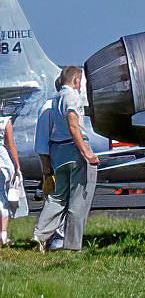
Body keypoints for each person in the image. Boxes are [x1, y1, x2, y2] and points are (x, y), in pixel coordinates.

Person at [32, 66, 99, 253]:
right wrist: (86, 152)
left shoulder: (54, 101)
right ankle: (71, 245)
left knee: (57, 197)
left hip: (58, 151)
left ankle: (40, 234)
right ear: (76, 80)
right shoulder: (72, 97)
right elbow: (73, 125)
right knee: (79, 199)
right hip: (74, 149)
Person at [0, 113, 18, 246]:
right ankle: (3, 233)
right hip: (2, 161)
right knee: (2, 197)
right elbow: (11, 145)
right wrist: (17, 166)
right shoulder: (5, 121)